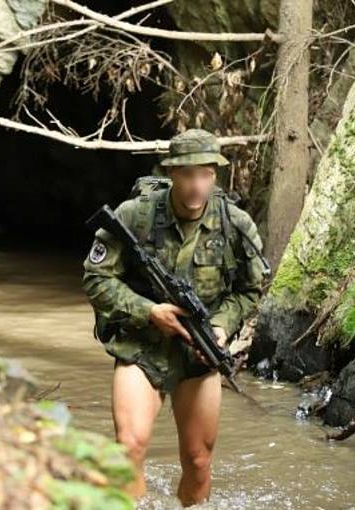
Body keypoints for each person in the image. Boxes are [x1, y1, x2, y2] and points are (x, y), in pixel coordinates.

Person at [82, 129, 266, 506]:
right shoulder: (136, 215)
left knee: (198, 461)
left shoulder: (235, 225)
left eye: (206, 174)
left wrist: (219, 328)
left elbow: (250, 290)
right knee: (129, 447)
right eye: (188, 174)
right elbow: (96, 279)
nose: (197, 184)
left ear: (215, 174)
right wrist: (149, 311)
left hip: (197, 353)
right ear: (171, 173)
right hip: (141, 345)